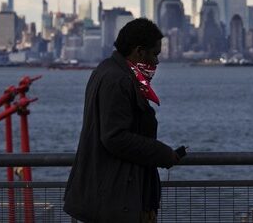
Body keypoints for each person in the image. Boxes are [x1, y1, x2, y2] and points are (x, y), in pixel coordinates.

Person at [64, 18, 182, 223]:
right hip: (117, 200)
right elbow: (115, 137)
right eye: (154, 54)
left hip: (114, 195)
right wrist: (163, 154)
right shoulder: (118, 80)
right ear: (139, 52)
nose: (156, 62)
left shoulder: (107, 71)